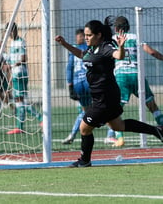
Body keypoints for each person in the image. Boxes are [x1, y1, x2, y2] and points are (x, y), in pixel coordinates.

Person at [55, 20, 163, 167]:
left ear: (99, 35)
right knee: (118, 125)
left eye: (89, 35)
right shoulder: (91, 49)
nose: (86, 38)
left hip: (105, 97)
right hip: (103, 96)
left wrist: (122, 46)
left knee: (84, 128)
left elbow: (118, 55)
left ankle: (84, 160)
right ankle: (157, 131)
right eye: (85, 35)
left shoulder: (105, 47)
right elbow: (81, 54)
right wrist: (65, 44)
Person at [104, 16, 163, 147]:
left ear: (116, 28)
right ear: (128, 27)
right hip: (137, 74)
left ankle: (119, 137)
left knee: (116, 108)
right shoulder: (136, 37)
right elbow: (152, 52)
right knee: (151, 104)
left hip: (121, 76)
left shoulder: (113, 39)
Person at [6, 23, 43, 135]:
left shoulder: (21, 42)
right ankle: (20, 127)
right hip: (15, 75)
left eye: (12, 30)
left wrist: (12, 65)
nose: (11, 33)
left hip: (21, 74)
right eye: (9, 31)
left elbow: (24, 58)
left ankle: (41, 119)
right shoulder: (11, 43)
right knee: (19, 101)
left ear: (16, 30)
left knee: (21, 101)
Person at [62, 29, 91, 144]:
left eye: (83, 36)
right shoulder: (76, 50)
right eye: (80, 36)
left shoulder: (86, 47)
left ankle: (73, 134)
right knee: (92, 109)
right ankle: (110, 134)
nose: (82, 38)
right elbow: (69, 68)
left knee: (86, 110)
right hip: (83, 83)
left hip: (85, 82)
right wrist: (70, 85)